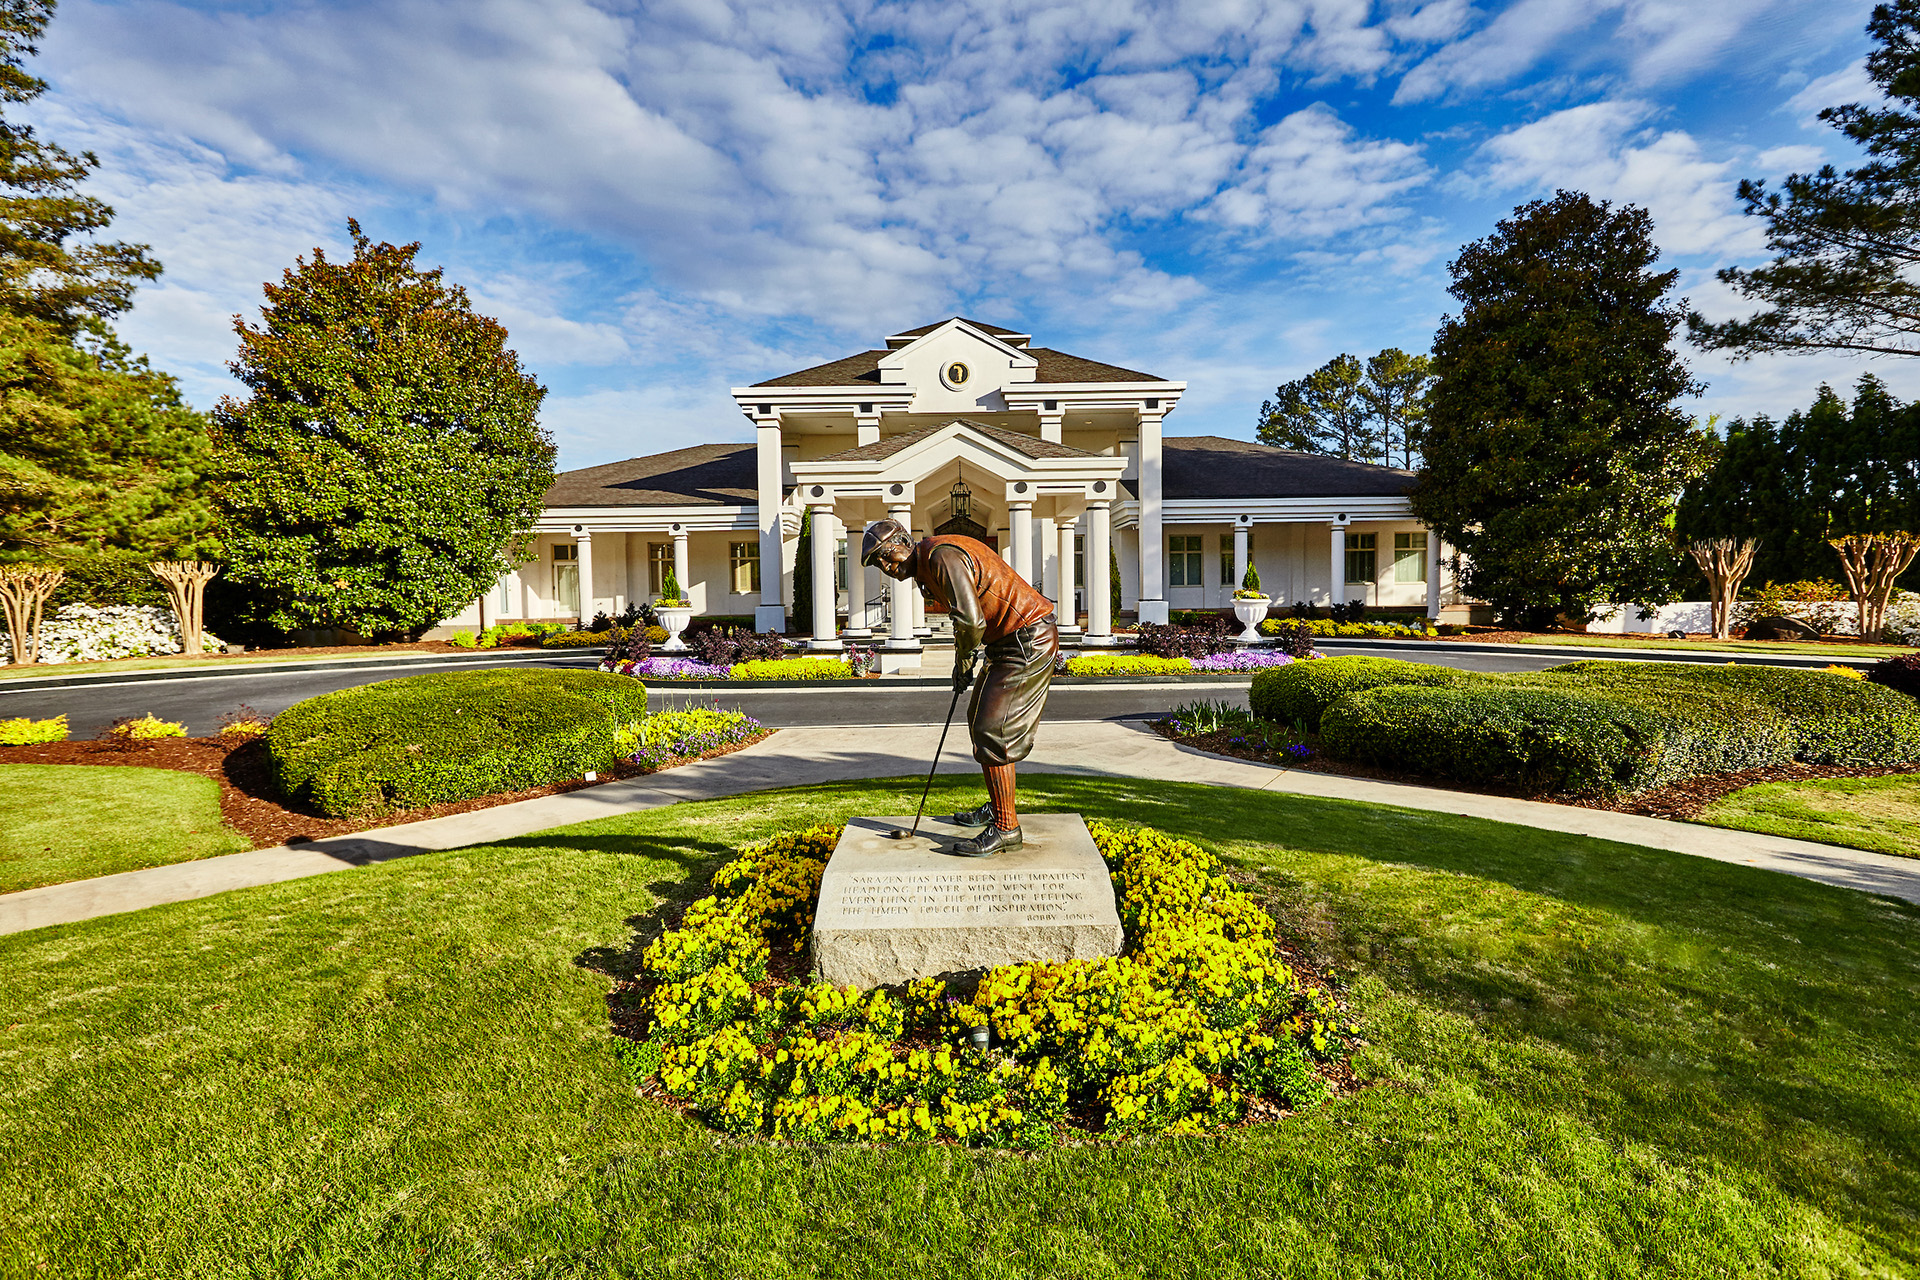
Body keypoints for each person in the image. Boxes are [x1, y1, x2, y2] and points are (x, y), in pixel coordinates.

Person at [860, 517, 1058, 856]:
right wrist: (962, 659)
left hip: (1027, 639)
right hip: (1004, 643)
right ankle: (999, 808)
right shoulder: (926, 567)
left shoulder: (940, 557)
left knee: (993, 729)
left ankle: (1007, 828)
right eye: (878, 563)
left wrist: (963, 660)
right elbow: (968, 619)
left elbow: (970, 620)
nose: (886, 567)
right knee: (979, 718)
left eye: (886, 555)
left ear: (905, 542)